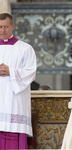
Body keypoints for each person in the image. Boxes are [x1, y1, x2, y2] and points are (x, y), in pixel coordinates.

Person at [0, 13, 37, 149]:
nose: (2, 30)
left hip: (14, 100)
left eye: (6, 27)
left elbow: (31, 72)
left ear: (12, 27)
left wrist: (11, 71)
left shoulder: (25, 49)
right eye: (0, 27)